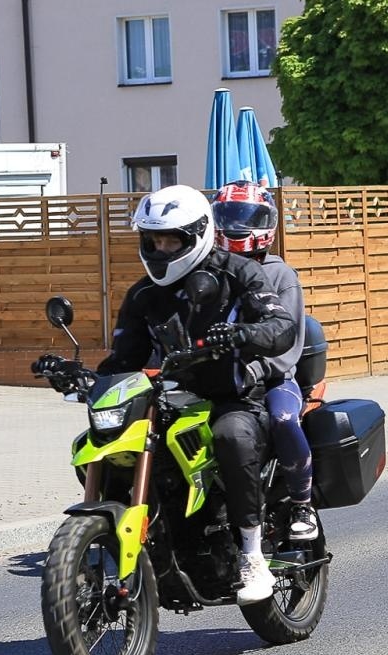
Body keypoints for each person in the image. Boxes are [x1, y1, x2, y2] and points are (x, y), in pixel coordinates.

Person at [98, 184, 297, 603]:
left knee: (232, 437)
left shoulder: (239, 272)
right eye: (153, 240)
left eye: (171, 239)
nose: (161, 248)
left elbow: (281, 326)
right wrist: (80, 375)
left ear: (197, 234)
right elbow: (125, 356)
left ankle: (252, 554)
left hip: (232, 394)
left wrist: (243, 334)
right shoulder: (143, 294)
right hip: (171, 397)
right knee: (105, 444)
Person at [211, 180, 318, 543]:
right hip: (220, 375)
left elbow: (288, 347)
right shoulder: (211, 271)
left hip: (273, 377)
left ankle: (302, 503)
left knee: (284, 419)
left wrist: (254, 368)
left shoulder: (280, 275)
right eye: (227, 214)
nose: (236, 223)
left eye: (247, 216)